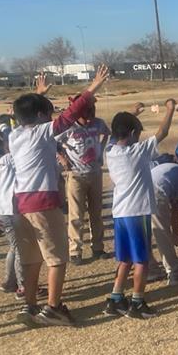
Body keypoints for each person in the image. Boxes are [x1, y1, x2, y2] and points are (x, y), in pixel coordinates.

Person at [9, 66, 110, 326]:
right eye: (47, 111)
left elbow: (23, 112)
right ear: (42, 115)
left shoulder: (14, 134)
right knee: (57, 259)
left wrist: (36, 94)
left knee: (32, 260)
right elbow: (71, 114)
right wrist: (93, 87)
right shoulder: (42, 131)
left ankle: (30, 306)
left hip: (21, 204)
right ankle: (53, 308)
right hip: (43, 202)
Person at [105, 100, 177, 319]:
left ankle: (116, 298)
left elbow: (115, 134)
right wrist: (170, 110)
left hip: (120, 213)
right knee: (141, 260)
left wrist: (131, 113)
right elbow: (162, 132)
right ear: (134, 133)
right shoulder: (137, 151)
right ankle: (137, 301)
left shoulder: (110, 151)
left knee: (125, 259)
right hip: (138, 212)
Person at [56, 99, 111, 264]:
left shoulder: (98, 123)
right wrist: (62, 157)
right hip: (76, 175)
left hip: (95, 174)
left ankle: (98, 247)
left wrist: (100, 150)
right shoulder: (68, 127)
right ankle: (75, 251)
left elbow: (106, 133)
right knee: (76, 215)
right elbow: (53, 142)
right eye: (85, 117)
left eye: (91, 115)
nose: (88, 120)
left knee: (96, 213)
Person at [0, 125, 23, 296]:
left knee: (14, 246)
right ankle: (23, 286)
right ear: (3, 144)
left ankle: (9, 281)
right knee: (20, 247)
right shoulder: (10, 159)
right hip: (8, 208)